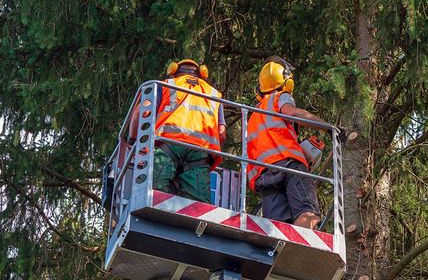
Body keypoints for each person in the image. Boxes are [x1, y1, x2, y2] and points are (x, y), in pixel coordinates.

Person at [246, 56, 329, 229]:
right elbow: (292, 113)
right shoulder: (279, 97)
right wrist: (328, 128)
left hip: (263, 174)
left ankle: (278, 254)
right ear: (286, 81)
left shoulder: (253, 114)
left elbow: (269, 140)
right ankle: (296, 252)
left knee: (277, 225)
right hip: (288, 164)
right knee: (308, 214)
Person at [130, 59, 226, 203]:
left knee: (153, 195)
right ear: (201, 75)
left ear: (173, 72)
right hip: (200, 154)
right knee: (197, 205)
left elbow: (141, 112)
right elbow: (222, 134)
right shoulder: (214, 95)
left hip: (168, 146)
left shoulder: (165, 85)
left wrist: (132, 141)